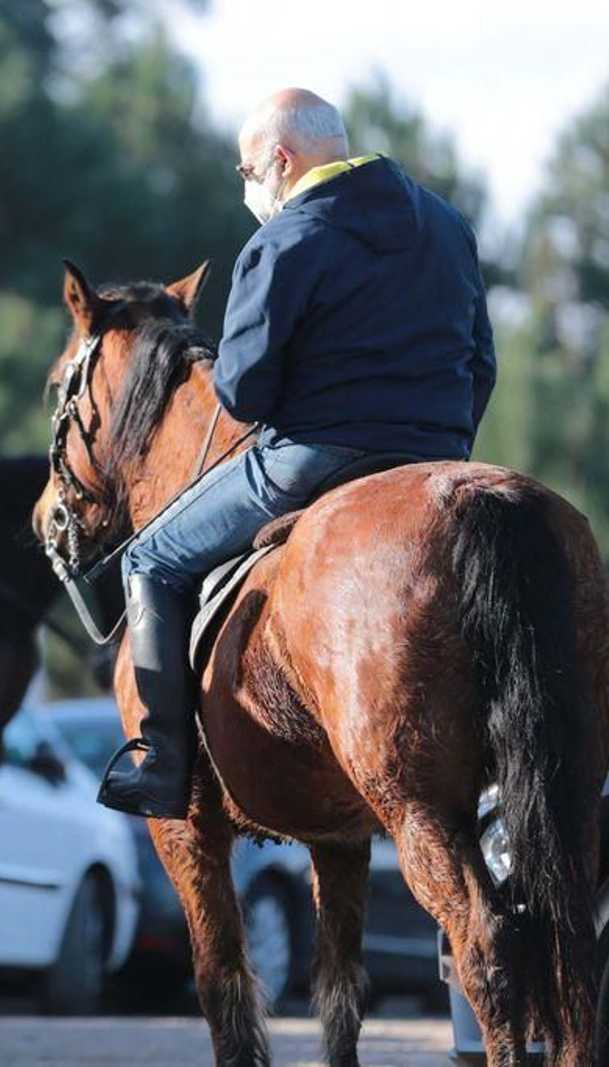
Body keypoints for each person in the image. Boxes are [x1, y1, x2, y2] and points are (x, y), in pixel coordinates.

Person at [98, 88, 498, 819]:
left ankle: (162, 767)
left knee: (146, 560)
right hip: (438, 455)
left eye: (248, 172)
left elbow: (244, 393)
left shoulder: (283, 241)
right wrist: (441, 446)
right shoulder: (446, 224)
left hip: (315, 457)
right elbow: (482, 364)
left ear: (281, 162)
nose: (250, 188)